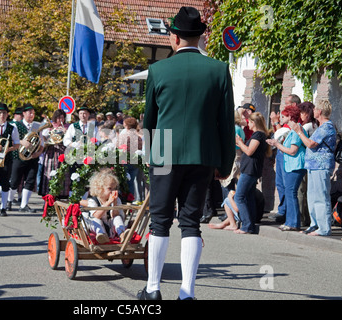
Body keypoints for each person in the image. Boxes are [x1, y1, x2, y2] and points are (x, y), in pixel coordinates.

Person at [139, 6, 235, 300]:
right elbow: (226, 123)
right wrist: (225, 162)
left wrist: (149, 155)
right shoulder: (219, 69)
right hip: (202, 154)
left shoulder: (157, 70)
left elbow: (149, 121)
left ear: (175, 37)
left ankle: (153, 289)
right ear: (201, 36)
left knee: (159, 222)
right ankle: (186, 293)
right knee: (191, 223)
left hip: (165, 153)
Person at [290, 99, 337, 236]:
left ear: (320, 111)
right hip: (313, 166)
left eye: (316, 108)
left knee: (321, 197)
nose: (314, 110)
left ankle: (323, 228)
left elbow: (311, 144)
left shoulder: (327, 127)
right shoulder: (321, 127)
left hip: (321, 166)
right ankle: (314, 224)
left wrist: (299, 132)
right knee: (312, 196)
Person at [267, 105, 307, 231]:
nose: (281, 118)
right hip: (291, 165)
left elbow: (292, 151)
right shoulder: (291, 130)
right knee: (289, 192)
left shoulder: (296, 129)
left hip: (295, 166)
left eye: (283, 116)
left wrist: (277, 144)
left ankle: (293, 223)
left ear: (290, 116)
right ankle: (290, 221)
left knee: (291, 193)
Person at [234, 112, 270, 234]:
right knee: (248, 197)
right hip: (250, 170)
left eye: (249, 122)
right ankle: (250, 223)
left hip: (250, 170)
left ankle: (246, 225)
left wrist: (240, 143)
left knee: (239, 197)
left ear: (253, 123)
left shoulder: (258, 135)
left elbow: (249, 151)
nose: (248, 124)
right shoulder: (259, 135)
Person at [8, 104, 44, 212]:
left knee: (30, 181)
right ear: (23, 114)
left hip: (32, 158)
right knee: (14, 181)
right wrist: (21, 141)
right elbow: (10, 140)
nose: (32, 115)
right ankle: (9, 201)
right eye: (30, 113)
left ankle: (24, 205)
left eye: (33, 113)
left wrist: (39, 153)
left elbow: (42, 142)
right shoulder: (15, 125)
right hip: (18, 157)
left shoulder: (37, 126)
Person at [83, 168, 130, 244]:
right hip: (97, 229)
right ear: (100, 189)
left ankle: (122, 234)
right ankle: (102, 236)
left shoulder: (116, 199)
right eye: (109, 188)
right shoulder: (93, 200)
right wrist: (108, 203)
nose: (113, 191)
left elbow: (115, 215)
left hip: (110, 227)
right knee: (96, 220)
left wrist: (114, 203)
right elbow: (97, 215)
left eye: (114, 188)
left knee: (117, 218)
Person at [39, 109, 70, 197]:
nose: (61, 120)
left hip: (63, 151)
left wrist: (65, 132)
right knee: (50, 172)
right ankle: (49, 195)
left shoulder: (67, 127)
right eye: (59, 118)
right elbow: (44, 138)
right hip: (52, 152)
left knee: (63, 172)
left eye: (63, 118)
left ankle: (61, 194)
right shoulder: (50, 126)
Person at [297, 102, 318, 226]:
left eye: (302, 112)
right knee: (309, 191)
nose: (301, 115)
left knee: (301, 191)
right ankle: (309, 218)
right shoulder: (316, 125)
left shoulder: (307, 126)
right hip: (313, 161)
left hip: (305, 160)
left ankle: (301, 219)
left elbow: (299, 142)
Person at [117, 117, 142, 198]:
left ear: (127, 125)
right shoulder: (138, 136)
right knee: (131, 182)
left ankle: (126, 200)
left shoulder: (124, 135)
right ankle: (130, 199)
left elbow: (118, 146)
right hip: (135, 161)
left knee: (124, 182)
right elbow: (140, 148)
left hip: (125, 160)